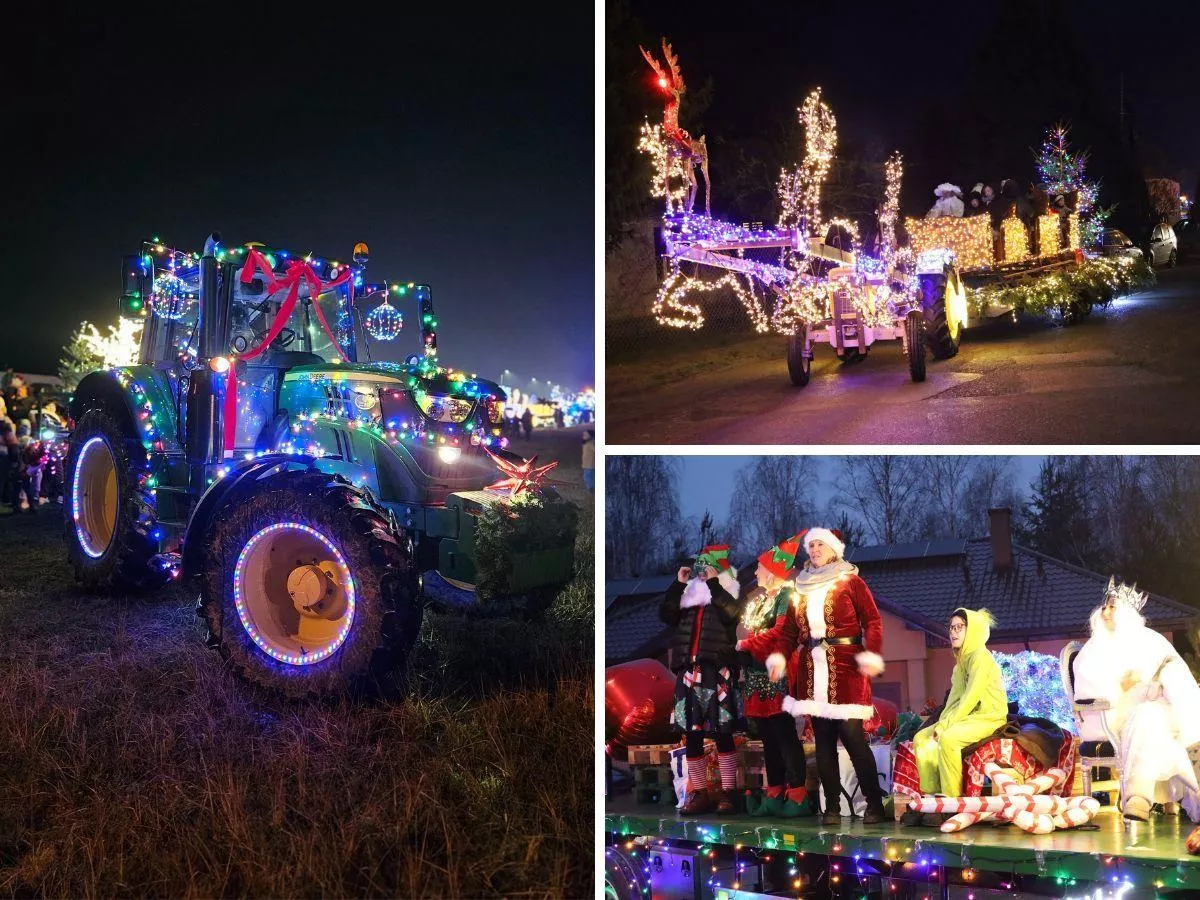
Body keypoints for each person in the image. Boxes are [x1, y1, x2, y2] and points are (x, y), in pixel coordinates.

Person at [739, 528, 888, 825]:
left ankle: (874, 804)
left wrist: (872, 652)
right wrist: (780, 656)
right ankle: (831, 806)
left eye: (821, 544)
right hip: (812, 666)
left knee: (853, 737)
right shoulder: (801, 587)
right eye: (812, 545)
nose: (816, 549)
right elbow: (790, 632)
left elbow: (872, 620)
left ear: (834, 549)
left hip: (845, 666)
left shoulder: (851, 581)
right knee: (823, 741)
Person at [1071, 579, 1200, 823]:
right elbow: (1089, 691)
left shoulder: (1149, 640)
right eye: (1105, 606)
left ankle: (1139, 797)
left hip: (1163, 714)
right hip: (1112, 717)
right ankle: (1192, 772)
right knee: (1148, 718)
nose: (1106, 612)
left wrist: (1155, 686)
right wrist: (1123, 687)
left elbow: (1175, 678)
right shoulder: (1092, 649)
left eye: (1113, 607)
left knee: (1167, 684)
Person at [900, 608, 1007, 827]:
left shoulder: (981, 658)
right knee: (922, 738)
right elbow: (954, 700)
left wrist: (946, 725)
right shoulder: (961, 663)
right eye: (951, 627)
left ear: (973, 631)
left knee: (948, 739)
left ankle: (951, 804)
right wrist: (940, 723)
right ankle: (931, 800)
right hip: (967, 717)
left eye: (960, 627)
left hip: (988, 717)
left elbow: (970, 697)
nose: (953, 632)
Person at [660, 545, 744, 815]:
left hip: (716, 670)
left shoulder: (726, 592)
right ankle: (699, 792)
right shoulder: (687, 597)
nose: (700, 570)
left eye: (705, 565)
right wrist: (678, 584)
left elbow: (732, 614)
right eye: (698, 565)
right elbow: (665, 615)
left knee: (723, 732)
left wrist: (715, 585)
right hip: (688, 671)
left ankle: (729, 793)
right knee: (692, 734)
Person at [738, 532, 814, 817]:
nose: (756, 571)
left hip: (778, 672)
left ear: (772, 571)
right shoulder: (761, 600)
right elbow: (756, 631)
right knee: (768, 735)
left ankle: (797, 793)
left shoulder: (786, 596)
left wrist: (747, 644)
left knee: (784, 732)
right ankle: (775, 791)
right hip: (758, 673)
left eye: (760, 567)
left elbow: (780, 633)